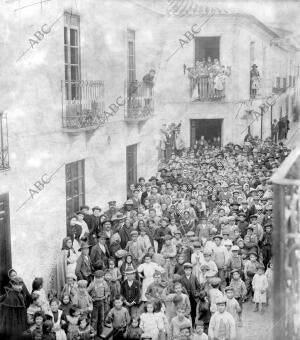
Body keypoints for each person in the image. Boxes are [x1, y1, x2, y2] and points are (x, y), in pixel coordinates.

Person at [87, 270, 110, 336]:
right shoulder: (92, 284)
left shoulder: (104, 283)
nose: (100, 279)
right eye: (98, 278)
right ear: (95, 277)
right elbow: (86, 292)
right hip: (95, 304)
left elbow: (108, 291)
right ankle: (93, 333)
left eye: (101, 277)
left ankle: (100, 332)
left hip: (102, 302)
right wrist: (90, 298)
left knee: (102, 318)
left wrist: (106, 295)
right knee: (94, 319)